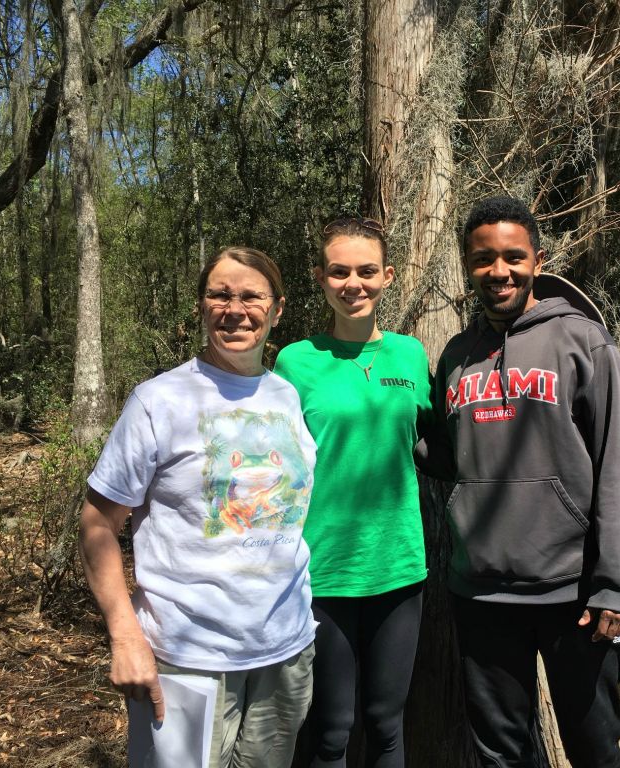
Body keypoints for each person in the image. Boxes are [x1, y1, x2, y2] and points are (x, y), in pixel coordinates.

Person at [79, 246, 318, 768]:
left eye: (252, 296)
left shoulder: (286, 395)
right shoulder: (158, 400)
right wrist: (124, 635)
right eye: (220, 295)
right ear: (201, 306)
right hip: (188, 655)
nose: (236, 309)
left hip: (287, 648)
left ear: (277, 309)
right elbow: (98, 522)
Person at [430, 197, 620, 768]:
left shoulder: (583, 343)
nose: (498, 272)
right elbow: (455, 457)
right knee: (501, 752)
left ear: (537, 261)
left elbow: (617, 463)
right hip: (481, 592)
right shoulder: (456, 355)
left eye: (512, 257)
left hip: (572, 593)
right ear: (467, 266)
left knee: (595, 746)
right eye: (482, 260)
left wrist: (616, 586)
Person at [274, 217, 432, 768]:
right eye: (339, 272)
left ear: (388, 276)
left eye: (366, 271)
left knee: (387, 725)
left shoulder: (411, 356)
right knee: (330, 731)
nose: (353, 283)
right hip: (323, 573)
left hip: (399, 568)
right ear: (320, 278)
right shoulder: (295, 361)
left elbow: (438, 440)